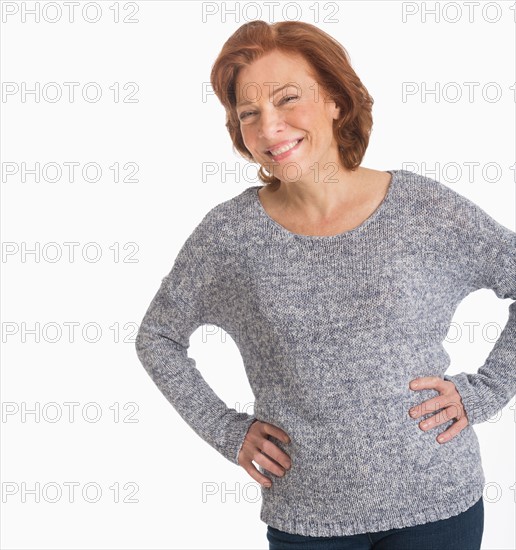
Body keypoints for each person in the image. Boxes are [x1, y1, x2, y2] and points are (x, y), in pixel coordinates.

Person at [135, 20, 515, 549]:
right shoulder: (229, 236)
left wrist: (488, 390)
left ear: (336, 100)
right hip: (308, 520)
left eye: (288, 99)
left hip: (439, 504)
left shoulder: (424, 210)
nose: (270, 128)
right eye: (249, 114)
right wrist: (227, 430)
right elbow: (158, 337)